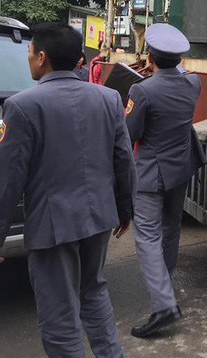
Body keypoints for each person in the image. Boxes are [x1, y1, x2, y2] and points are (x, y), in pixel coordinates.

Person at [0, 22, 136, 357]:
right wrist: (124, 209)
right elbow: (123, 159)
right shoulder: (108, 98)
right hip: (99, 219)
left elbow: (8, 181)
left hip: (53, 226)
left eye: (30, 52)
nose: (29, 58)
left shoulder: (21, 106)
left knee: (60, 317)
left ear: (42, 57)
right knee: (93, 292)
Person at [125, 23, 205, 338]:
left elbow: (129, 133)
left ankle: (163, 305)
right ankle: (165, 286)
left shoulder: (141, 89)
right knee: (171, 230)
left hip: (150, 174)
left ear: (150, 56)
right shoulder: (193, 83)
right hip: (180, 170)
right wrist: (163, 62)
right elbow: (179, 70)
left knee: (146, 238)